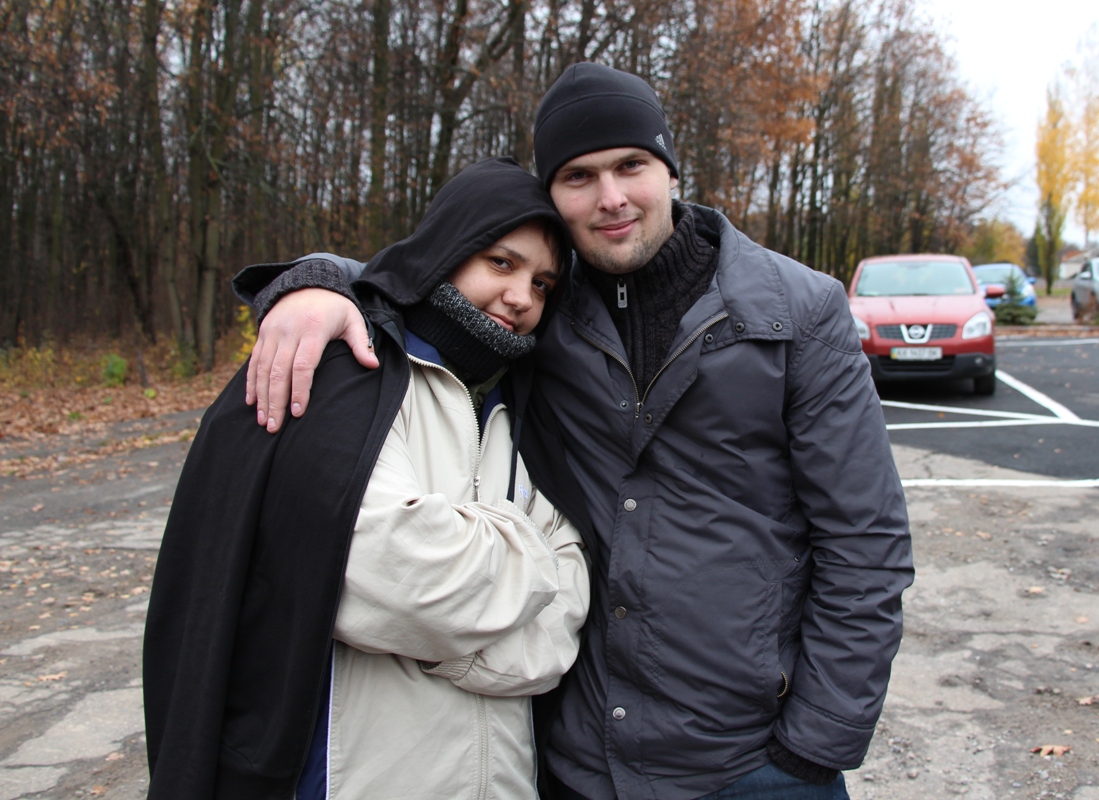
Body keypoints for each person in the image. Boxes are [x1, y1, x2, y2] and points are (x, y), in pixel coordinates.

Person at [239, 63, 914, 800]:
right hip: (584, 759)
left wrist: (816, 740)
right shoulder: (541, 306)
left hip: (754, 762)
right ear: (553, 195)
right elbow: (426, 275)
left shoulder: (798, 312)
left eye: (631, 166)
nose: (610, 197)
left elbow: (865, 538)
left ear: (669, 169)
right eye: (579, 177)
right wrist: (312, 284)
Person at [142, 157, 592, 800]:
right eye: (501, 263)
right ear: (449, 250)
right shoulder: (354, 375)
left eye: (543, 284)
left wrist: (457, 623)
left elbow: (569, 606)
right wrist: (530, 557)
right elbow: (394, 574)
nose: (521, 297)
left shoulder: (523, 410)